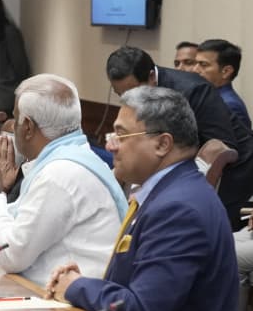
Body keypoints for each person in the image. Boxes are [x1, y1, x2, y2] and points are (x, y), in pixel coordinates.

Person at [46, 86, 239, 311]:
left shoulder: (179, 208)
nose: (109, 144)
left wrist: (77, 287)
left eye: (121, 135)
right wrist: (84, 282)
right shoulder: (167, 191)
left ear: (162, 144)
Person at [0, 75, 127, 286]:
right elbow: (5, 237)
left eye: (15, 120)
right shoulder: (67, 159)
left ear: (28, 127)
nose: (12, 126)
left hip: (71, 309)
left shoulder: (60, 173)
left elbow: (10, 253)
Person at [106, 45, 253, 229]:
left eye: (133, 91)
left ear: (151, 77)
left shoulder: (194, 89)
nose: (129, 100)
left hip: (232, 172)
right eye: (121, 94)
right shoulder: (139, 94)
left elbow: (221, 146)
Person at [193, 39, 249, 129]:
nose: (195, 70)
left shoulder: (229, 105)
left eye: (203, 64)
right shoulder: (210, 97)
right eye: (195, 63)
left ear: (226, 71)